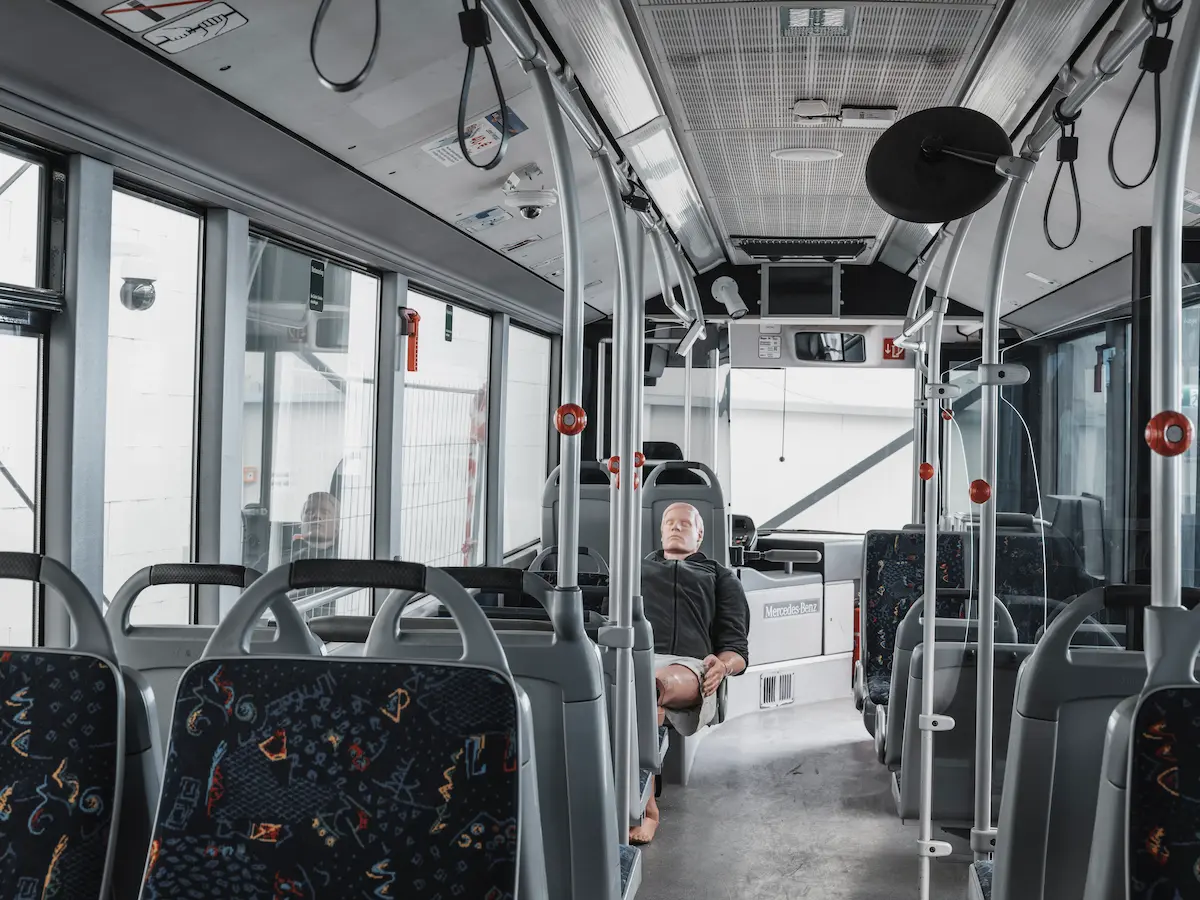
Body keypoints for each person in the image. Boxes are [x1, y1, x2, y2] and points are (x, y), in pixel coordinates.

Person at [630, 501, 750, 844]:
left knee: (647, 689)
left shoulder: (720, 578)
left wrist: (722, 665)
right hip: (638, 660)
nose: (676, 527)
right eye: (669, 522)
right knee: (630, 685)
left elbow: (737, 650)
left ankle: (647, 811)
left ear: (700, 535)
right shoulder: (635, 570)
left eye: (685, 523)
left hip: (691, 669)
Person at [290, 491, 340, 561]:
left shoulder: (344, 557)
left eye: (324, 512)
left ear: (337, 526)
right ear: (301, 524)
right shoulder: (286, 561)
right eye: (309, 512)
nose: (316, 516)